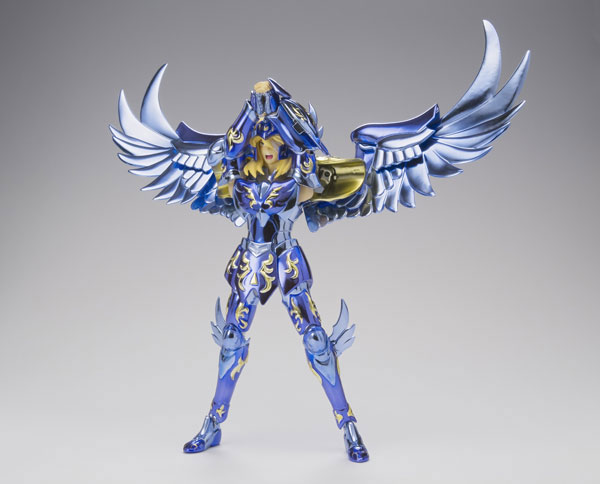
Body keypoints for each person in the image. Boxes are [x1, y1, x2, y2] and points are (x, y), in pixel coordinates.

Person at [110, 20, 529, 462]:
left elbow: (327, 168)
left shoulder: (304, 179)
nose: (266, 147)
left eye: (274, 141)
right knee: (231, 338)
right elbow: (222, 151)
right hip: (249, 262)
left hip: (287, 264)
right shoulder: (235, 176)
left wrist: (279, 116)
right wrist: (254, 109)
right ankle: (213, 423)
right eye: (262, 141)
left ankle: (348, 426)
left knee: (317, 342)